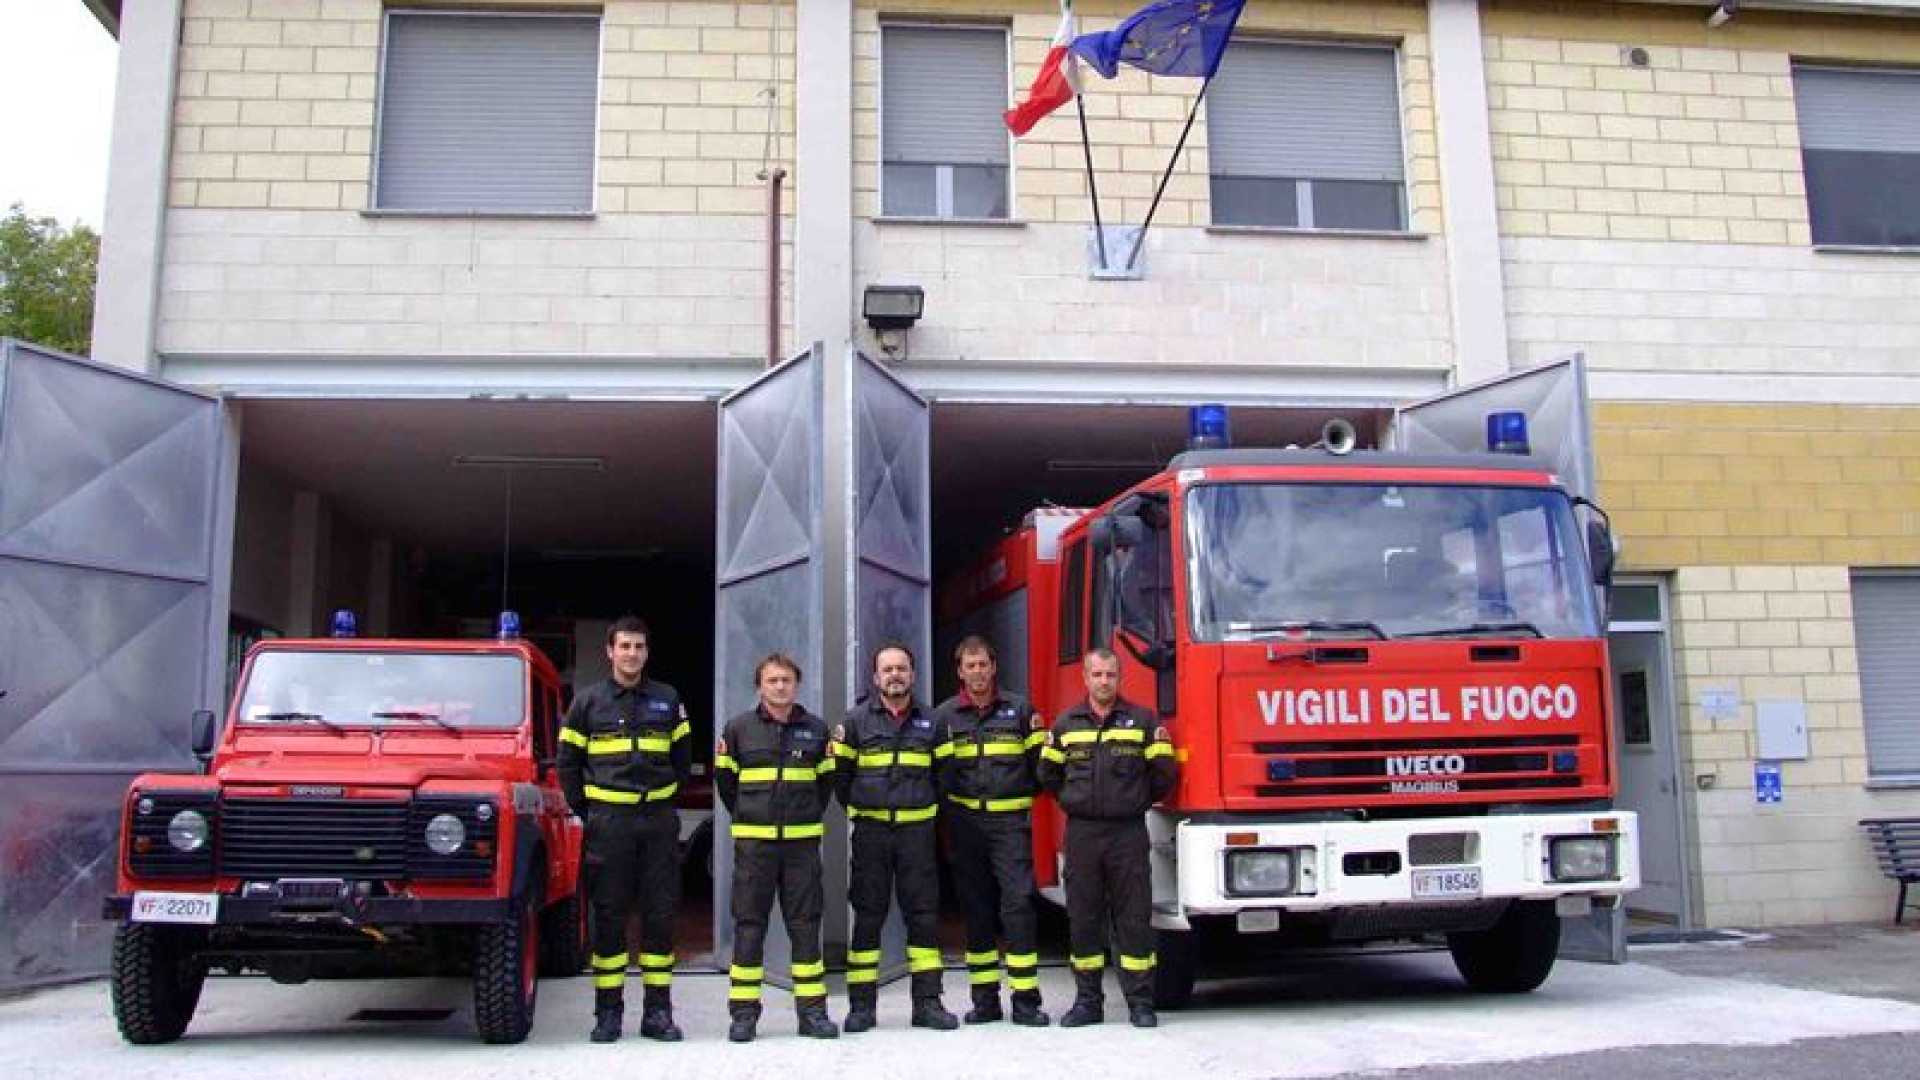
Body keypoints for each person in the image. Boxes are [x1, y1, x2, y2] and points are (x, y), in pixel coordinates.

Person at [557, 615, 692, 1044]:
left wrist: (662, 797)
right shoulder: (587, 703)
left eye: (639, 647)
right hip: (609, 825)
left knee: (660, 913)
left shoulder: (667, 699)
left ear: (647, 653)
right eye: (625, 646)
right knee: (609, 915)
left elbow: (683, 759)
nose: (632, 654)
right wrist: (592, 809)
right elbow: (568, 765)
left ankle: (658, 1013)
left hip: (656, 823)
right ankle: (608, 1015)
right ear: (610, 651)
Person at [1038, 647, 1179, 1029]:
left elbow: (1164, 773)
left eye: (1110, 675)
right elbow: (1047, 775)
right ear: (1084, 679)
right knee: (1083, 918)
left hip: (1127, 833)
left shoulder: (1143, 722)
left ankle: (1140, 1003)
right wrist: (1073, 800)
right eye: (1096, 675)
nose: (1104, 682)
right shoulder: (1066, 726)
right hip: (1082, 833)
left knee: (1134, 918)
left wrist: (1133, 801)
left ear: (1120, 678)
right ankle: (1088, 1003)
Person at [832, 642, 958, 1032]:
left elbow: (946, 776)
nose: (895, 675)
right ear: (875, 677)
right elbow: (840, 781)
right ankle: (862, 1007)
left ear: (913, 675)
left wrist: (918, 809)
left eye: (901, 668)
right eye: (887, 669)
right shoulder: (853, 723)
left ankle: (928, 1003)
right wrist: (868, 807)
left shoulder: (935, 722)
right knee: (868, 917)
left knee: (922, 917)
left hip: (917, 835)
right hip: (871, 834)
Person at [713, 653, 839, 1043]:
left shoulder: (817, 731)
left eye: (786, 680)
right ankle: (744, 1016)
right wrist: (753, 818)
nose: (780, 687)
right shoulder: (737, 730)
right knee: (750, 928)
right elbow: (726, 785)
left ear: (796, 685)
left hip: (801, 848)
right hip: (756, 849)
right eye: (772, 680)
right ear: (760, 686)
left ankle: (813, 1014)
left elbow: (825, 787)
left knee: (805, 927)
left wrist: (800, 820)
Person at [932, 636, 1050, 1027]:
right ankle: (984, 1001)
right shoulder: (944, 718)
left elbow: (1042, 770)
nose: (978, 672)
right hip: (966, 828)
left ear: (994, 666)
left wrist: (1013, 802)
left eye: (983, 664)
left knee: (1018, 906)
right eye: (970, 666)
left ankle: (1026, 1000)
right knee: (977, 911)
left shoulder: (1021, 711)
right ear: (960, 671)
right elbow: (938, 777)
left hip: (1010, 826)